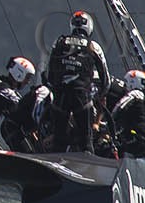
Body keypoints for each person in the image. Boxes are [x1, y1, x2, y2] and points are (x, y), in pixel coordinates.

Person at [44, 11, 110, 153]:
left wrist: (55, 89)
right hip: (82, 96)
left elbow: (48, 74)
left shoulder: (59, 41)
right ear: (89, 27)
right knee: (86, 140)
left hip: (60, 95)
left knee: (58, 140)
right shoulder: (93, 46)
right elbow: (106, 81)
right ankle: (89, 168)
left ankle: (55, 167)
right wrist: (96, 97)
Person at [2, 81, 53, 153]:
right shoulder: (45, 91)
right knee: (26, 155)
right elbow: (36, 114)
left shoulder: (46, 93)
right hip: (12, 127)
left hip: (19, 129)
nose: (28, 82)